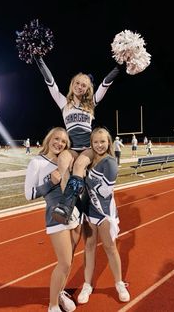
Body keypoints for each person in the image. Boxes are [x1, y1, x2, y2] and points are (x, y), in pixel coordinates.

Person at [35, 56, 127, 224]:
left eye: (84, 85)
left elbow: (105, 84)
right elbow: (50, 82)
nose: (80, 87)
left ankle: (66, 207)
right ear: (73, 84)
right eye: (77, 83)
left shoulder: (91, 103)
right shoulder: (64, 103)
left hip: (87, 148)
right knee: (63, 160)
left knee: (78, 165)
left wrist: (119, 66)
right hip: (72, 148)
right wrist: (39, 59)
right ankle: (69, 205)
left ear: (87, 89)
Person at [24, 127, 82, 312]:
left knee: (69, 261)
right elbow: (29, 194)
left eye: (64, 141)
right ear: (49, 139)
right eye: (56, 139)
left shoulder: (67, 160)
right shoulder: (37, 162)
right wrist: (51, 182)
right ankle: (53, 305)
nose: (59, 143)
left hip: (74, 212)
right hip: (56, 214)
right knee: (64, 262)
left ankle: (60, 292)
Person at [77, 127, 130, 304]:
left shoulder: (110, 162)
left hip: (104, 212)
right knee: (89, 247)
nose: (99, 145)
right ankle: (87, 284)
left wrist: (85, 176)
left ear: (109, 142)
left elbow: (105, 191)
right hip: (88, 211)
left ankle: (119, 283)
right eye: (95, 142)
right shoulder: (90, 160)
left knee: (109, 247)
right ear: (91, 143)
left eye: (102, 141)